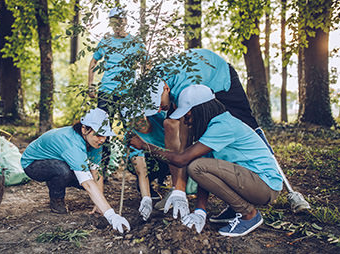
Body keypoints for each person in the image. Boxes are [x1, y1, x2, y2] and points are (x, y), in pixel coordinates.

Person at [130, 85, 283, 237]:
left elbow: (182, 160)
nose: (187, 122)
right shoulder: (213, 128)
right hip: (252, 182)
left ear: (200, 110)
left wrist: (144, 146)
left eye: (188, 116)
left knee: (195, 166)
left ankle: (249, 214)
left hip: (265, 185)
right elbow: (204, 176)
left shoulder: (222, 126)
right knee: (199, 165)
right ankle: (235, 208)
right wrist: (200, 211)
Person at [21, 108, 130, 234]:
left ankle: (55, 179)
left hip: (58, 160)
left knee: (86, 180)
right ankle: (56, 199)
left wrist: (100, 205)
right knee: (64, 172)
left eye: (105, 135)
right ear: (84, 129)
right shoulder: (72, 144)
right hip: (33, 164)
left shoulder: (95, 143)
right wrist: (111, 215)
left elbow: (96, 171)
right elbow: (87, 183)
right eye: (99, 134)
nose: (102, 139)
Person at [88, 7, 146, 170]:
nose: (118, 24)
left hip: (128, 94)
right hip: (106, 92)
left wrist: (142, 87)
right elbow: (93, 62)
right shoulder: (105, 41)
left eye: (121, 20)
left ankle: (136, 170)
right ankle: (101, 169)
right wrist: (91, 85)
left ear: (126, 21)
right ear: (111, 23)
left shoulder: (135, 42)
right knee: (101, 129)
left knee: (133, 131)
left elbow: (146, 64)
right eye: (114, 21)